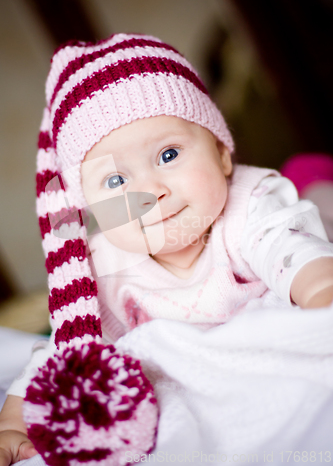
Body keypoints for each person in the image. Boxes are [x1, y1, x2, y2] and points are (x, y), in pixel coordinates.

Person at [1, 33, 333, 466]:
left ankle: (313, 179)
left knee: (314, 210)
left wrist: (322, 292)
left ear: (221, 152)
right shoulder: (103, 266)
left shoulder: (250, 204)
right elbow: (69, 352)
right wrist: (15, 420)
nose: (152, 192)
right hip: (203, 380)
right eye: (117, 182)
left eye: (169, 154)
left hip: (274, 312)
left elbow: (291, 252)